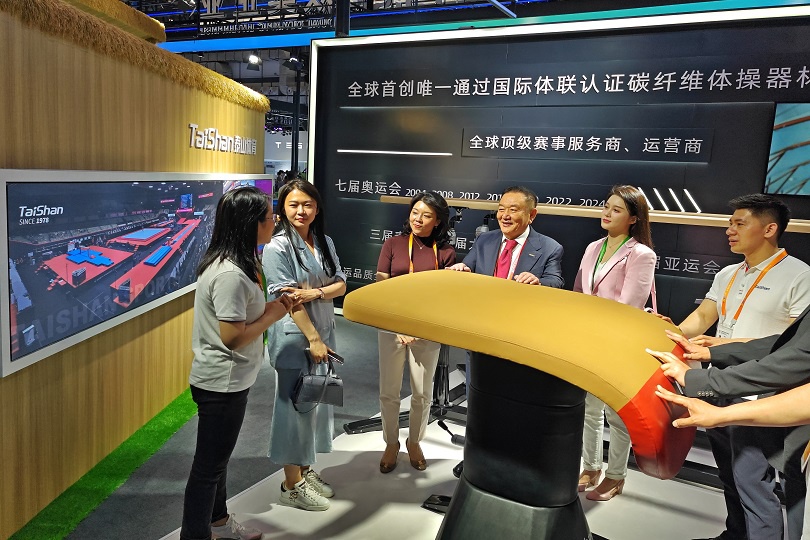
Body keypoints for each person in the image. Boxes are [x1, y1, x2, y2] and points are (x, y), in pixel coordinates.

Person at [655, 194, 810, 540]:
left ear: (769, 229)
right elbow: (703, 316)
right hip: (718, 383)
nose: (730, 230)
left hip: (759, 393)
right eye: (730, 223)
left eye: (740, 223)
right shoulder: (728, 273)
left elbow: (790, 346)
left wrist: (723, 347)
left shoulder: (800, 276)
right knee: (728, 473)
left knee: (752, 481)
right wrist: (671, 335)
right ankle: (735, 533)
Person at [181, 187, 295, 540]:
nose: (274, 222)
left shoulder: (238, 263)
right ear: (250, 224)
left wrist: (272, 306)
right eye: (269, 217)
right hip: (222, 383)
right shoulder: (230, 273)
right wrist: (274, 314)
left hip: (229, 380)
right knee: (208, 469)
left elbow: (241, 319)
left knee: (217, 463)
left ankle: (218, 522)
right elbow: (232, 336)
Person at [650, 303, 810, 540]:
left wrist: (701, 382)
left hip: (762, 402)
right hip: (760, 407)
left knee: (755, 485)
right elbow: (787, 345)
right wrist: (714, 354)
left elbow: (796, 361)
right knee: (738, 480)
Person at [262, 179, 347, 512]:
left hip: (324, 332)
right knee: (293, 409)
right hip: (296, 338)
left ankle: (305, 469)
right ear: (282, 209)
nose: (301, 211)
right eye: (293, 204)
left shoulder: (324, 241)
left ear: (317, 207)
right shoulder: (277, 247)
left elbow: (341, 283)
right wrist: (313, 338)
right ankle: (291, 484)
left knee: (314, 403)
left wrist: (315, 293)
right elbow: (287, 298)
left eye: (307, 204)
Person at [574, 185, 656, 502]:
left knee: (617, 414)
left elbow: (629, 306)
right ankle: (591, 467)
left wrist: (601, 333)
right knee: (589, 409)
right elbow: (580, 293)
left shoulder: (641, 254)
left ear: (634, 218)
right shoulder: (593, 247)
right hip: (587, 339)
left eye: (617, 209)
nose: (607, 213)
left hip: (618, 343)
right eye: (606, 207)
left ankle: (616, 475)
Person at [376, 192, 456, 474]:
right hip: (392, 328)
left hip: (426, 330)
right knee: (389, 391)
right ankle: (390, 442)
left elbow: (444, 297)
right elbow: (381, 288)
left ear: (438, 221)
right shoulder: (393, 244)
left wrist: (419, 328)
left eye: (426, 215)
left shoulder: (445, 252)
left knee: (422, 393)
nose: (418, 219)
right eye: (415, 212)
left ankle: (414, 441)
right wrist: (398, 325)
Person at [447, 185, 563, 287]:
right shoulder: (484, 239)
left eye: (513, 210)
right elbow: (467, 266)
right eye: (501, 209)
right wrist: (461, 268)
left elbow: (555, 281)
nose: (505, 216)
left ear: (531, 215)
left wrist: (538, 282)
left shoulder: (550, 248)